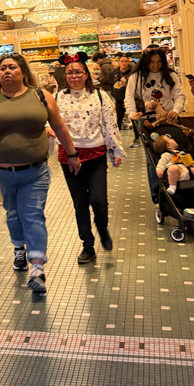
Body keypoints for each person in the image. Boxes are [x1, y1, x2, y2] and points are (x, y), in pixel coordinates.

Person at [0, 52, 79, 293]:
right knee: (13, 214)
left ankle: (37, 268)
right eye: (3, 68)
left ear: (23, 72)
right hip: (3, 172)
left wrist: (72, 154)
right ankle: (19, 249)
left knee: (33, 214)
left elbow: (59, 126)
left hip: (35, 170)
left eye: (12, 67)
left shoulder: (40, 95)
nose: (7, 71)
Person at [49, 51, 124, 264]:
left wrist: (116, 150)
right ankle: (87, 245)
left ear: (86, 74)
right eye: (70, 72)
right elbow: (48, 120)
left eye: (78, 72)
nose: (74, 76)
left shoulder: (100, 96)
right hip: (68, 156)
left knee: (99, 200)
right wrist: (48, 129)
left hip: (96, 153)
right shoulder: (56, 98)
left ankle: (103, 229)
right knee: (80, 203)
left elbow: (110, 124)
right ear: (65, 75)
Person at [124, 47, 186, 146]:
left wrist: (176, 111)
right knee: (152, 153)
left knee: (173, 147)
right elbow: (129, 97)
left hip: (168, 118)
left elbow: (179, 95)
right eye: (152, 62)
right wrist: (132, 113)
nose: (156, 65)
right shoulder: (136, 76)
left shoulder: (171, 75)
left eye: (159, 62)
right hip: (146, 119)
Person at [109, 54, 136, 132]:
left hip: (130, 99)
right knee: (118, 119)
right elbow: (111, 83)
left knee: (133, 118)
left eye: (125, 61)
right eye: (122, 61)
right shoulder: (114, 72)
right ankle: (117, 136)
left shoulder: (132, 73)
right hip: (118, 99)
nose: (123, 63)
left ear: (128, 62)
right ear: (118, 62)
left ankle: (137, 138)